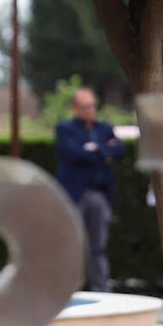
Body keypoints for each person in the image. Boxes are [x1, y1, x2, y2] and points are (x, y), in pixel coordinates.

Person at [55, 87, 125, 292]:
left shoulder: (104, 128)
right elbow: (73, 153)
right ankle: (67, 289)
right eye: (85, 107)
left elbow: (120, 149)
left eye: (92, 106)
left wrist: (94, 148)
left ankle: (101, 289)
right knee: (71, 243)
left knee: (98, 244)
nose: (90, 110)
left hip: (98, 192)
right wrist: (104, 151)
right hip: (74, 194)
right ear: (75, 108)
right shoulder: (65, 128)